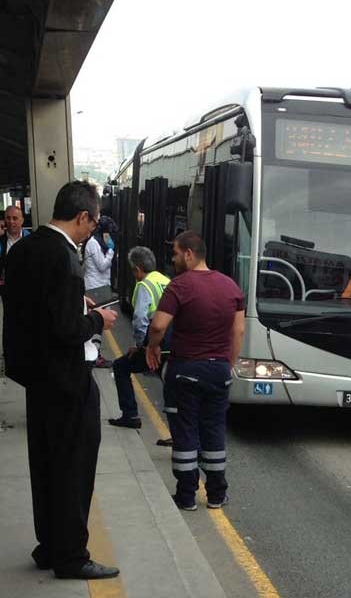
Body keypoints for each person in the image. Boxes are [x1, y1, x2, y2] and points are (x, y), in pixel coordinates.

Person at [3, 180, 119, 580]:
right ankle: (71, 555)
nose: (94, 230)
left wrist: (74, 301)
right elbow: (66, 329)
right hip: (66, 380)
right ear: (83, 216)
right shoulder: (65, 255)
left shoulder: (24, 249)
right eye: (94, 221)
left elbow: (33, 309)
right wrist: (96, 319)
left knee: (46, 465)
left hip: (35, 379)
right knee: (74, 466)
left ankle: (50, 545)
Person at [146, 231, 245, 511]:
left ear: (189, 253)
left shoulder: (180, 286)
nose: (173, 258)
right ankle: (216, 494)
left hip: (185, 369)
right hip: (219, 370)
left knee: (185, 431)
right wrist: (229, 363)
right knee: (213, 430)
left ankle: (186, 495)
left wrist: (152, 347)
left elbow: (158, 326)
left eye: (176, 253)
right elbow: (238, 331)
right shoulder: (231, 286)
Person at [108, 246, 171, 429]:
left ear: (138, 268)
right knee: (170, 381)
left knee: (120, 367)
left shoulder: (144, 285)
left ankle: (130, 415)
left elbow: (140, 319)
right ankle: (178, 432)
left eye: (133, 270)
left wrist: (141, 345)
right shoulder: (165, 280)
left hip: (154, 344)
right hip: (171, 343)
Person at [83, 216, 117, 368]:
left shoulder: (98, 242)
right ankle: (95, 355)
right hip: (95, 288)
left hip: (102, 286)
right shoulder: (93, 243)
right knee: (97, 323)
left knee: (99, 324)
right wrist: (111, 251)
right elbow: (102, 265)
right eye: (108, 233)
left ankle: (96, 353)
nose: (109, 236)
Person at [0, 206, 28, 300]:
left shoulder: (30, 239)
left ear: (22, 221)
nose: (11, 221)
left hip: (27, 289)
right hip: (8, 291)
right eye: (8, 218)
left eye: (15, 218)